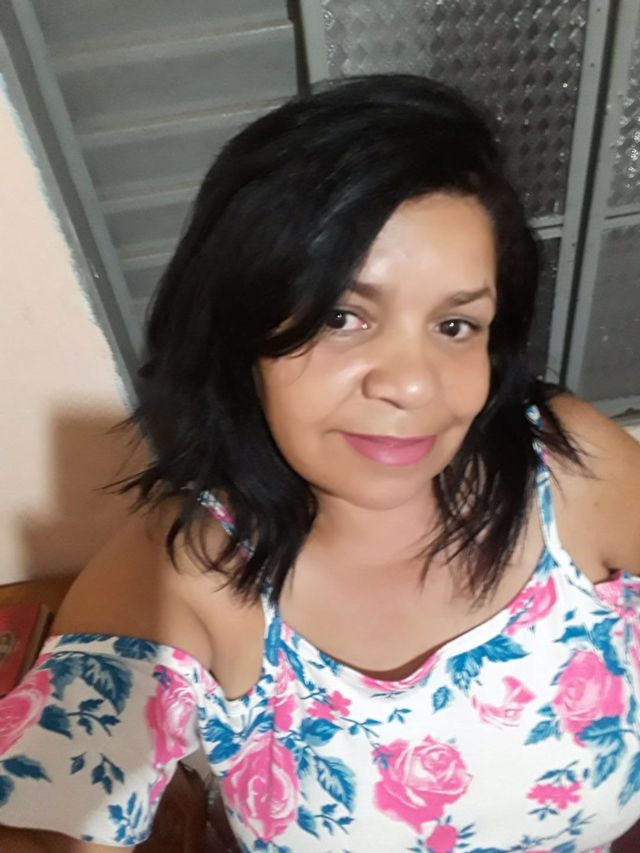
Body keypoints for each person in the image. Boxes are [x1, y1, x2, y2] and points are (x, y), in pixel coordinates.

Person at [1, 74, 639, 853]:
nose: (412, 385)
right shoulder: (182, 573)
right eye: (343, 315)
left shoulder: (567, 468)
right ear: (243, 334)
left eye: (455, 325)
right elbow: (46, 818)